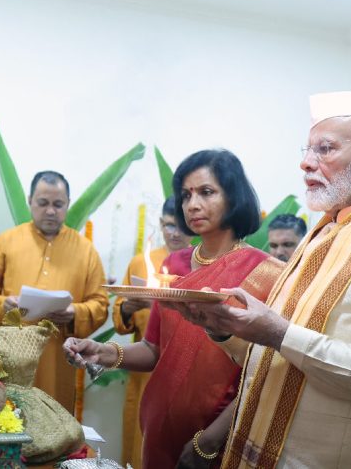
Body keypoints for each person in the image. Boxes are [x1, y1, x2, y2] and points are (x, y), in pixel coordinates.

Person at [171, 92, 351, 467]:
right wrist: (225, 330)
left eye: (325, 149)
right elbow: (280, 358)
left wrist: (279, 333)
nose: (306, 163)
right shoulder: (325, 231)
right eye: (307, 150)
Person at [65, 150, 284, 469]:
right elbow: (154, 349)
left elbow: (265, 374)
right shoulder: (174, 265)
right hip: (158, 429)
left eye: (206, 192)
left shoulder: (266, 273)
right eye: (186, 195)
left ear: (233, 196)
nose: (192, 204)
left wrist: (209, 440)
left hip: (218, 438)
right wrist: (103, 352)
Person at [0, 170, 108, 413]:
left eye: (58, 204)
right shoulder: (4, 243)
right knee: (7, 421)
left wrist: (75, 312)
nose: (51, 211)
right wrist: (5, 305)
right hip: (9, 359)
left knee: (55, 428)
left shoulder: (86, 251)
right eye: (43, 203)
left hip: (58, 362)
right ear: (30, 201)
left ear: (67, 205)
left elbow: (100, 303)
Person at [112, 195, 191, 468]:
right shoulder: (140, 262)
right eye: (168, 225)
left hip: (185, 373)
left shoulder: (198, 262)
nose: (174, 233)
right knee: (138, 445)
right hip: (143, 369)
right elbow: (120, 319)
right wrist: (128, 308)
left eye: (180, 226)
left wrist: (161, 304)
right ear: (160, 224)